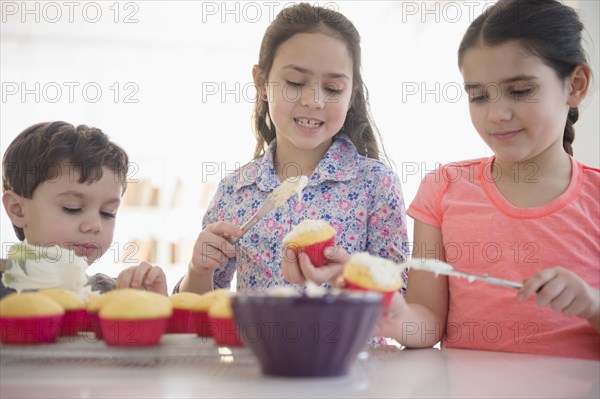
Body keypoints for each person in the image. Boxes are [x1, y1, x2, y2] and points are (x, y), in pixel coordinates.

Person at [376, 0, 600, 360]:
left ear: (575, 85)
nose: (497, 114)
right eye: (479, 96)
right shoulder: (443, 188)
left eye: (521, 90)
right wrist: (389, 315)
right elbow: (427, 324)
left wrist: (592, 304)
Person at [175, 3, 408, 295]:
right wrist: (198, 270)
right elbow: (199, 309)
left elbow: (401, 298)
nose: (314, 101)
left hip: (351, 343)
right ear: (262, 83)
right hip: (257, 343)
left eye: (333, 88)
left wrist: (351, 279)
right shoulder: (234, 191)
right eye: (296, 83)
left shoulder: (376, 184)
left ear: (351, 96)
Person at [1, 121, 168, 298]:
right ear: (18, 210)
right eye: (72, 208)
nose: (95, 225)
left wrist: (154, 307)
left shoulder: (113, 294)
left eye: (107, 213)